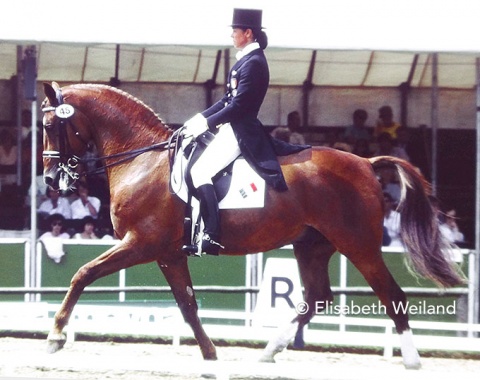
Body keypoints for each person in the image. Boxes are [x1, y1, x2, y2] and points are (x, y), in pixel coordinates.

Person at [180, 8, 309, 256]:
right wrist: (198, 119)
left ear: (248, 33)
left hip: (241, 131)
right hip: (231, 126)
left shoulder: (255, 63)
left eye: (235, 31)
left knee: (199, 171)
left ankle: (212, 235)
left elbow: (239, 107)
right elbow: (226, 101)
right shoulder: (245, 61)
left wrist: (207, 125)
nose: (231, 35)